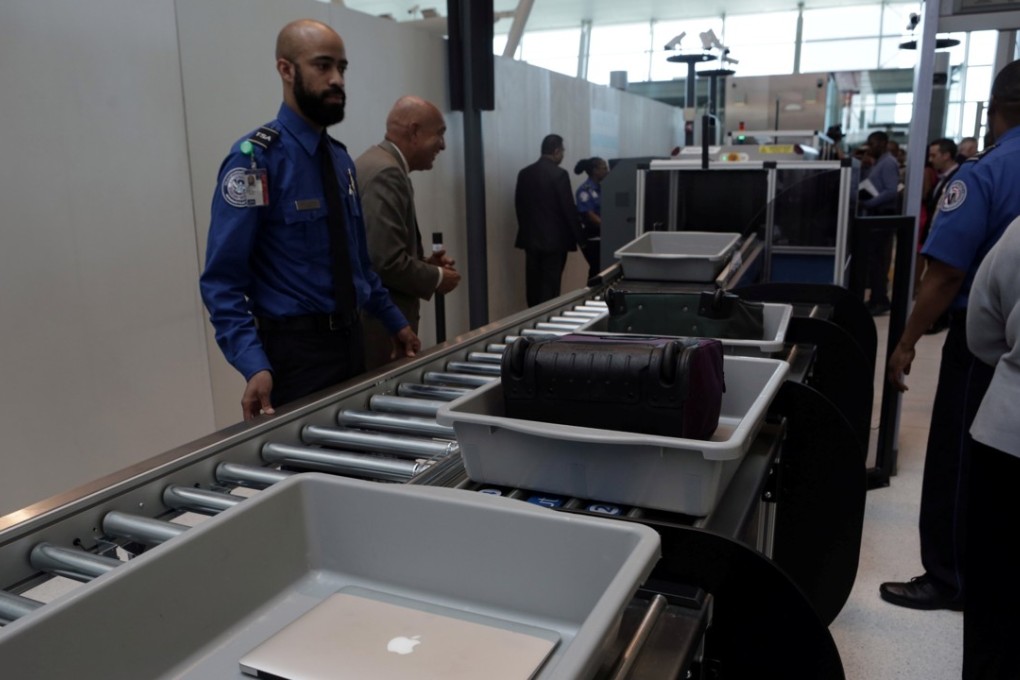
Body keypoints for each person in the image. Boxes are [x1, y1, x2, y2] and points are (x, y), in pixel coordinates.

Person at [200, 19, 420, 421]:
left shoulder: (339, 161)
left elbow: (358, 265)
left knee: (359, 464)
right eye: (323, 66)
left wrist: (395, 322)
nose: (337, 79)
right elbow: (222, 281)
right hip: (297, 357)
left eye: (343, 68)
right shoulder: (255, 162)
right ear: (286, 70)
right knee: (313, 476)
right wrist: (253, 363)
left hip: (353, 344)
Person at [880, 58, 1020, 613]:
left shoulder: (984, 172)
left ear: (996, 110)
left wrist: (907, 341)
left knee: (958, 460)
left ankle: (949, 576)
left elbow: (945, 274)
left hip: (986, 344)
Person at [355, 95, 461, 370]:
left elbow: (375, 251)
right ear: (414, 132)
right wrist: (437, 277)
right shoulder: (386, 173)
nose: (443, 145)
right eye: (439, 134)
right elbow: (384, 261)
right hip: (382, 329)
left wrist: (424, 265)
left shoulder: (376, 163)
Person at [514, 134, 583, 307]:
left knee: (533, 286)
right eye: (563, 151)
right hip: (555, 243)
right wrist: (581, 239)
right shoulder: (559, 174)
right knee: (550, 288)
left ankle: (531, 321)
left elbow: (519, 207)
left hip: (531, 240)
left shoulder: (525, 173)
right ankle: (546, 324)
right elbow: (568, 209)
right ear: (556, 151)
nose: (563, 155)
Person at [860, 130, 902, 315]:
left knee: (878, 261)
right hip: (874, 215)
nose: (871, 147)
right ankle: (877, 297)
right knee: (873, 260)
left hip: (881, 214)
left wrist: (869, 202)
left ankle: (880, 299)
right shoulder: (879, 163)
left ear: (884, 143)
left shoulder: (888, 162)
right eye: (869, 144)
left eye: (874, 144)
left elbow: (891, 190)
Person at [573, 156, 609, 281]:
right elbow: (589, 214)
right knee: (596, 269)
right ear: (595, 170)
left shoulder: (604, 188)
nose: (607, 171)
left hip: (603, 235)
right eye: (604, 168)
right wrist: (609, 226)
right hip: (593, 237)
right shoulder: (585, 190)